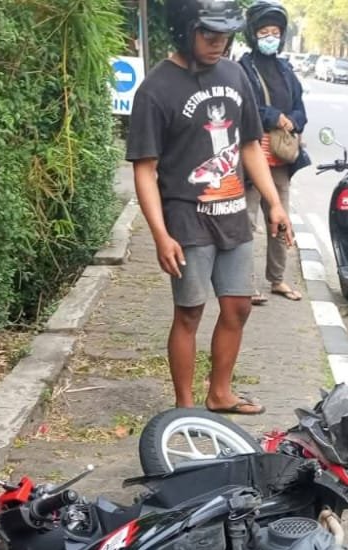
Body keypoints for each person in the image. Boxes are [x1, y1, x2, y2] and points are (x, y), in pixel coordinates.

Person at [127, 0, 294, 417]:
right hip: (187, 218)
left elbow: (250, 145)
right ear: (185, 30)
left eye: (225, 34)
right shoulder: (156, 89)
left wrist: (274, 204)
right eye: (209, 33)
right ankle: (184, 409)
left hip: (234, 213)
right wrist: (160, 234)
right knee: (190, 312)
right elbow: (145, 170)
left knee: (237, 307)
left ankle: (220, 393)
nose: (219, 42)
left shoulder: (235, 73)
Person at [237, 0, 309, 305]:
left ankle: (277, 279)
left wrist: (291, 119)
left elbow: (301, 109)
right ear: (253, 35)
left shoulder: (285, 69)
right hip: (253, 158)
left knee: (280, 220)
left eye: (275, 32)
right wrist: (272, 116)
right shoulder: (243, 68)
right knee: (247, 223)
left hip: (280, 160)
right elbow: (244, 105)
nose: (271, 37)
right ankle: (245, 284)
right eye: (264, 32)